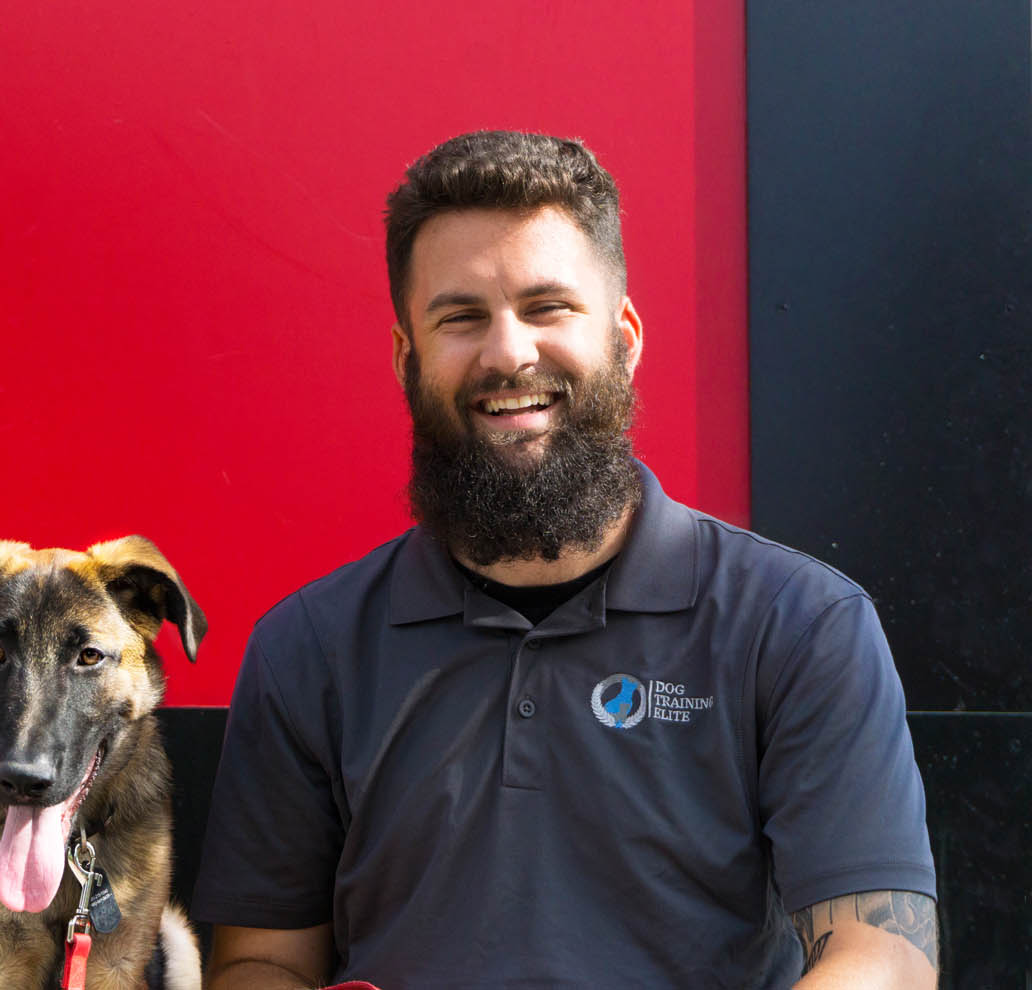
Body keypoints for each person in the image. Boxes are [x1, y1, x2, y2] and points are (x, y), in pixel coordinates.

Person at [191, 130, 938, 988]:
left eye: (548, 307)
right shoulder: (309, 647)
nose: (509, 352)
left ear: (623, 336)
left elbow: (883, 956)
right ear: (407, 359)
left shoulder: (799, 624)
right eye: (461, 316)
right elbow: (260, 961)